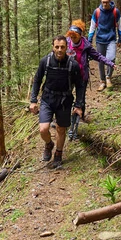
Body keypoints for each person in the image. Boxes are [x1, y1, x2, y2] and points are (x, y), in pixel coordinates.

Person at [30, 36, 84, 168]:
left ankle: (58, 154)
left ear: (67, 48)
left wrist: (78, 105)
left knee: (61, 129)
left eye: (62, 47)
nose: (59, 50)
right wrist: (33, 100)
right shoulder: (45, 61)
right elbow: (37, 80)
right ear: (53, 47)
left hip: (65, 101)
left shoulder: (73, 65)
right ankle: (49, 144)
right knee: (43, 129)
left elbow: (80, 85)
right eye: (57, 47)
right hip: (47, 99)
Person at [65, 19, 117, 138]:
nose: (72, 39)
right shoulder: (66, 43)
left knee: (80, 99)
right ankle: (64, 119)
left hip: (82, 76)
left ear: (79, 35)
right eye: (71, 37)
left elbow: (98, 56)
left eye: (74, 37)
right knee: (66, 96)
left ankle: (80, 120)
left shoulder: (86, 46)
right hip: (68, 76)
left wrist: (110, 63)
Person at [88, 0, 121, 91]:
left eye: (106, 2)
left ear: (110, 1)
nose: (105, 4)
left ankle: (108, 77)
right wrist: (89, 40)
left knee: (111, 58)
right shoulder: (97, 12)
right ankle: (102, 81)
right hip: (100, 39)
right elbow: (92, 26)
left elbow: (120, 26)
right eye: (103, 2)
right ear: (101, 1)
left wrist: (120, 38)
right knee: (101, 61)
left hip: (111, 39)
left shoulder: (115, 12)